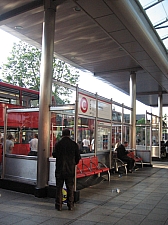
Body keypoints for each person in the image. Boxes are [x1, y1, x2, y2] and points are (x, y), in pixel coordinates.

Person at [52, 129, 81, 211]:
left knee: (59, 187)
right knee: (70, 187)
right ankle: (70, 205)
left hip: (60, 169)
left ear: (62, 135)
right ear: (69, 135)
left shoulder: (58, 144)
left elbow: (54, 155)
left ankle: (59, 205)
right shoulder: (74, 144)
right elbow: (78, 157)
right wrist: (73, 163)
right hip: (70, 169)